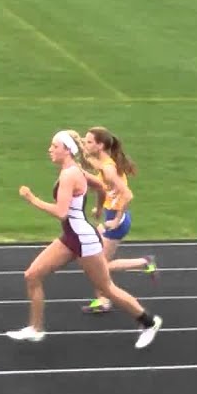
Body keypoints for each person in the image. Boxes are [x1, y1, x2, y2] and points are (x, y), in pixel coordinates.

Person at [7, 129, 163, 349]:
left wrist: (32, 199)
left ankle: (148, 322)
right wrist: (99, 209)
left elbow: (62, 212)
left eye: (54, 146)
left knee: (106, 288)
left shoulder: (69, 174)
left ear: (67, 150)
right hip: (71, 236)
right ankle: (35, 329)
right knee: (32, 275)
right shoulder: (74, 169)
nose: (49, 150)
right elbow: (100, 187)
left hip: (84, 240)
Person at [79, 125, 158, 314]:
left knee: (101, 267)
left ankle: (145, 262)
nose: (86, 143)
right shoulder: (104, 161)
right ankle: (103, 299)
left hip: (116, 221)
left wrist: (115, 220)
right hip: (109, 215)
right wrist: (79, 143)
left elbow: (127, 194)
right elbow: (92, 164)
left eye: (89, 141)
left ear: (100, 145)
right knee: (97, 263)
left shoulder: (108, 169)